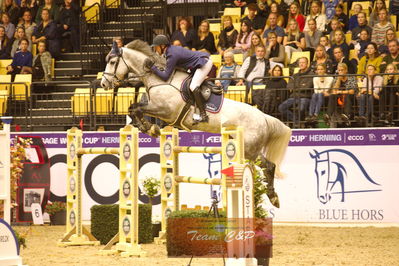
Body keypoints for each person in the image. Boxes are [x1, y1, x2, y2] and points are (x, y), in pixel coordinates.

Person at [146, 35, 213, 123]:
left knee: (193, 86)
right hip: (196, 65)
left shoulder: (172, 54)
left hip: (203, 63)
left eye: (156, 47)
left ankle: (204, 115)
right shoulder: (170, 51)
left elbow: (165, 76)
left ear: (162, 46)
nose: (155, 49)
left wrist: (153, 68)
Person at [278, 57, 313, 123]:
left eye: (303, 62)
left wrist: (296, 87)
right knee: (281, 107)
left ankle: (297, 123)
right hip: (294, 97)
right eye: (300, 63)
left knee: (301, 107)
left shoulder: (311, 75)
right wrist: (301, 86)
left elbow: (307, 87)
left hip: (305, 97)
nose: (301, 64)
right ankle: (297, 121)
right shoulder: (295, 75)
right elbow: (289, 86)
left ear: (307, 64)